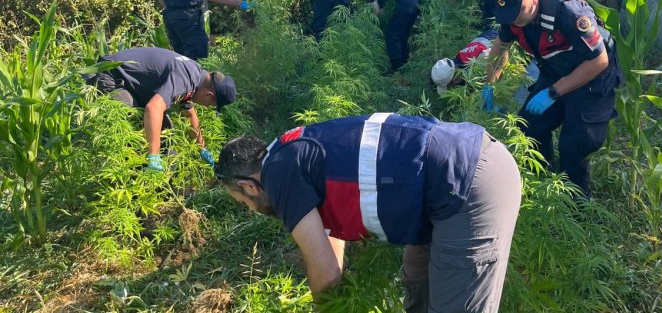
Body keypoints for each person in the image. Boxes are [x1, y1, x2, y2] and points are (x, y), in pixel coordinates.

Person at [216, 113, 521, 313]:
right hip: (442, 185)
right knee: (417, 284)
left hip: (466, 183)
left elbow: (325, 272)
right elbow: (328, 243)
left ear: (249, 187)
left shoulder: (278, 174)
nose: (252, 210)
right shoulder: (289, 151)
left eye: (244, 203)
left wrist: (327, 306)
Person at [482, 0, 622, 196]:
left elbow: (599, 60)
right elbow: (501, 45)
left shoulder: (569, 14)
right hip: (555, 70)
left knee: (574, 147)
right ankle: (543, 183)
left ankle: (576, 209)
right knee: (528, 127)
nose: (514, 21)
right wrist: (489, 83)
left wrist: (554, 92)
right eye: (509, 16)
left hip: (592, 77)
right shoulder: (513, 14)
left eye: (518, 14)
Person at [85, 47, 237, 171]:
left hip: (133, 85)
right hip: (109, 76)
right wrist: (154, 156)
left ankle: (158, 182)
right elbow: (153, 108)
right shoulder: (186, 78)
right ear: (208, 95)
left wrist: (202, 149)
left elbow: (189, 113)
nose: (206, 106)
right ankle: (126, 174)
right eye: (210, 104)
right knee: (131, 126)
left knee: (165, 131)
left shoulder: (196, 75)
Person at [430, 29, 539, 102]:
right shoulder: (461, 57)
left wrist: (489, 87)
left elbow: (502, 56)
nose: (452, 90)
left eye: (451, 87)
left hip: (530, 57)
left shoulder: (480, 62)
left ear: (456, 79)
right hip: (499, 35)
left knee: (516, 103)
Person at [362, 0, 421, 71]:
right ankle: (404, 63)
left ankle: (396, 68)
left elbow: (376, 12)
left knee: (392, 34)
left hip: (405, 1)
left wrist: (379, 26)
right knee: (403, 34)